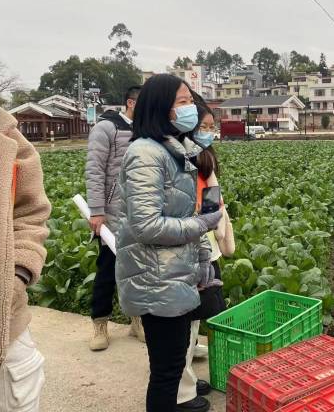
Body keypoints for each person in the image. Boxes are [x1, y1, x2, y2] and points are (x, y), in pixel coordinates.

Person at [115, 74, 222, 412]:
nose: (190, 108)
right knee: (166, 372)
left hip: (173, 273)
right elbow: (147, 225)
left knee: (174, 366)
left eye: (190, 100)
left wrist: (203, 255)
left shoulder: (173, 150)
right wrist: (202, 224)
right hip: (155, 278)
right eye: (182, 101)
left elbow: (182, 210)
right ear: (160, 107)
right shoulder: (146, 153)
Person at [0, 16, 51, 410]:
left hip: (4, 314)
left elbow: (32, 213)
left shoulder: (7, 135)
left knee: (16, 399)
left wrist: (18, 273)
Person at [177, 104, 235, 412]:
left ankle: (185, 377)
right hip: (191, 246)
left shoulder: (203, 157)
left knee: (196, 320)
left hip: (204, 245)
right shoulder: (181, 158)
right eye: (205, 125)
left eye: (213, 126)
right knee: (185, 323)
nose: (209, 131)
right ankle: (181, 391)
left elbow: (211, 201)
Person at [85, 85, 144, 351]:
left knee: (139, 272)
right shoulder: (106, 128)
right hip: (112, 215)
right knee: (107, 270)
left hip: (140, 215)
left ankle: (137, 321)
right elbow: (95, 170)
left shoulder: (145, 129)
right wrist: (97, 211)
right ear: (131, 103)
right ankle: (100, 324)